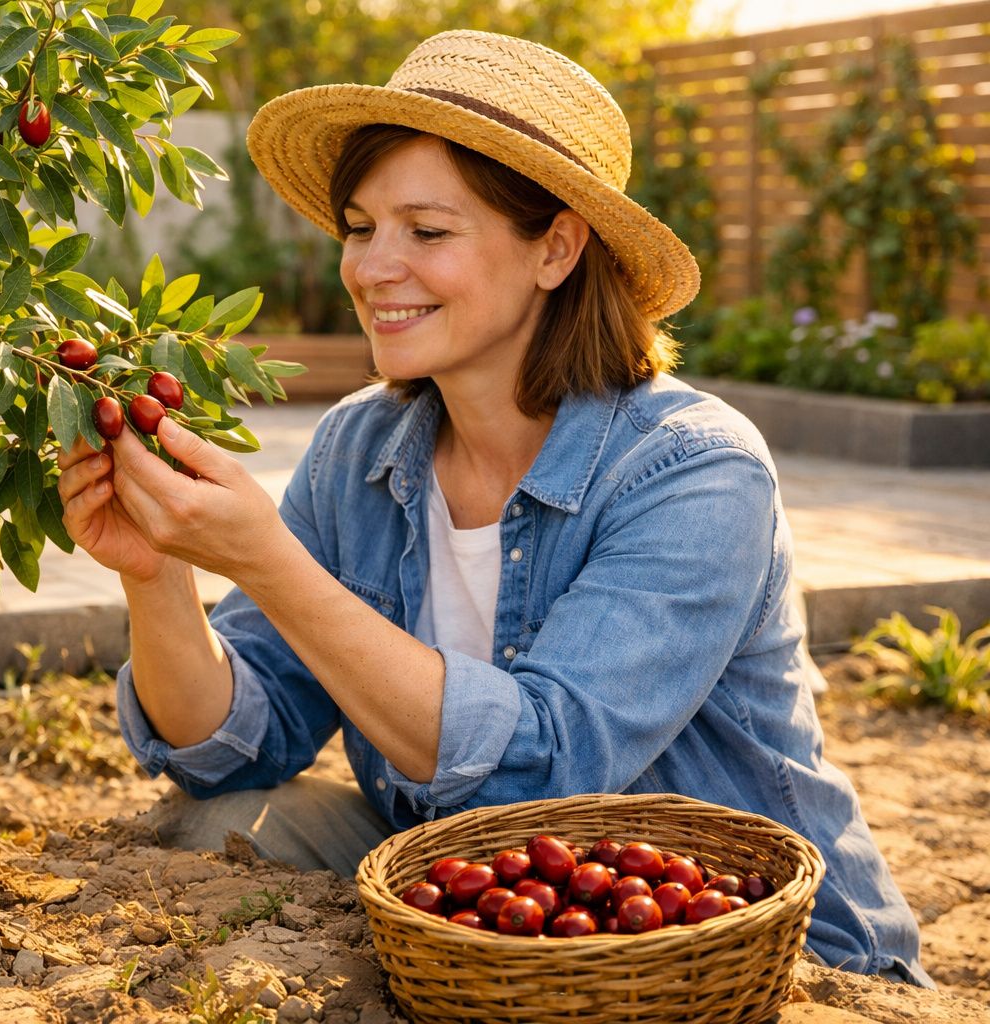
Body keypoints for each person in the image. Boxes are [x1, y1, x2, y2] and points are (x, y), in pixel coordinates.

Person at [55, 31, 928, 985]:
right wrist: (160, 577)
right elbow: (233, 746)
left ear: (554, 248)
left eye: (427, 232)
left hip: (730, 942)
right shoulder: (361, 449)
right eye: (359, 227)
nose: (373, 268)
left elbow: (549, 771)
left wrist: (266, 560)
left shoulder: (692, 470)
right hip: (494, 905)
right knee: (214, 822)